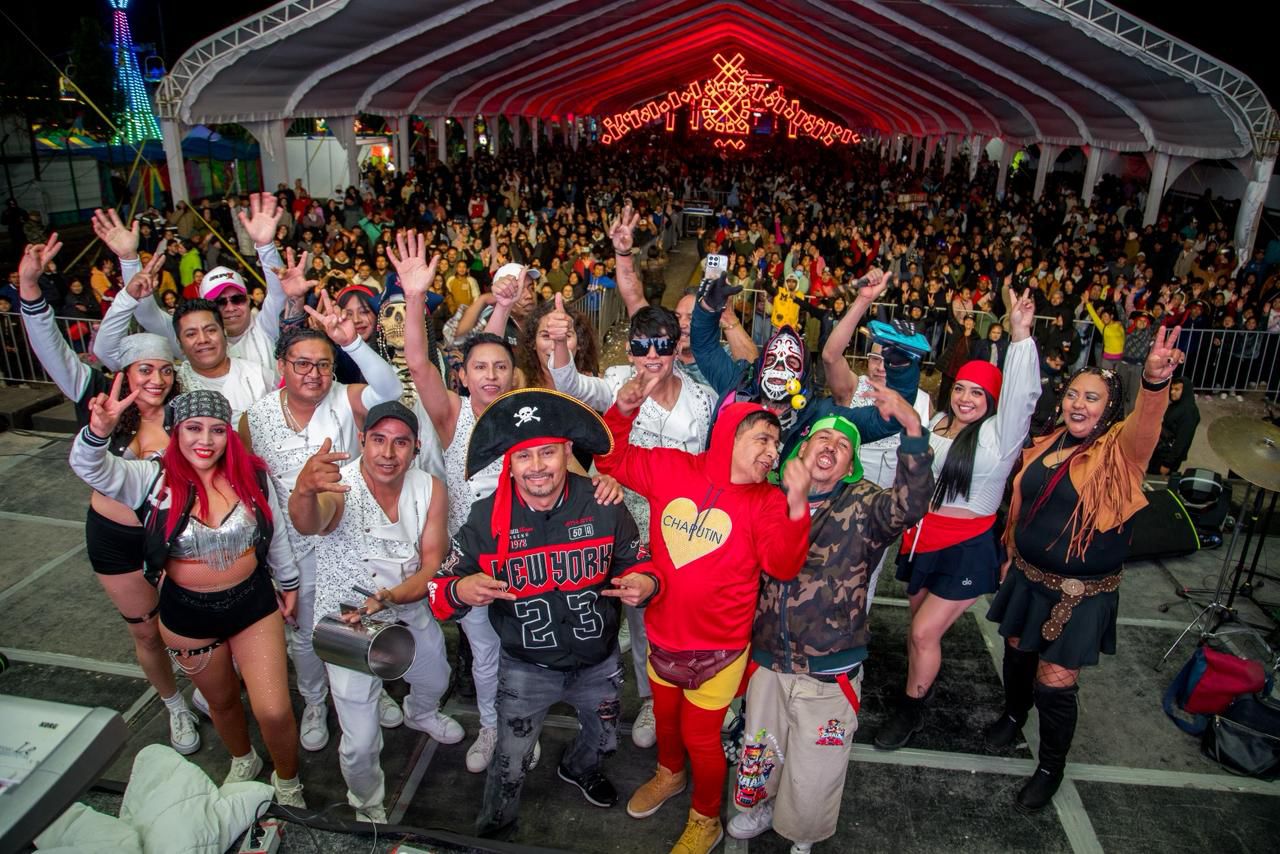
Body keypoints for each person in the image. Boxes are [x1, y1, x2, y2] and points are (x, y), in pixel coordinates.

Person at [425, 390, 655, 840]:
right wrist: (460, 589)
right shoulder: (486, 519)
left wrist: (645, 583)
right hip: (526, 667)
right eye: (524, 456)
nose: (537, 466)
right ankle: (495, 831)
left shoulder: (604, 503)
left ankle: (578, 767)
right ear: (509, 464)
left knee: (606, 739)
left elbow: (640, 562)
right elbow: (437, 591)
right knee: (509, 761)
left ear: (567, 451)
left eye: (547, 452)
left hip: (599, 662)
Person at [596, 376, 812, 854]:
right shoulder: (672, 469)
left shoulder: (769, 501)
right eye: (763, 439)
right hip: (663, 635)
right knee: (666, 720)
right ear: (730, 436)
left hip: (721, 648)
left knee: (700, 736)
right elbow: (611, 459)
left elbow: (782, 565)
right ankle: (669, 776)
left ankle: (705, 818)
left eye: (776, 444)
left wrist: (798, 507)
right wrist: (623, 410)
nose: (773, 452)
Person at [68, 386, 306, 806]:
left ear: (229, 434)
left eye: (217, 430)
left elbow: (278, 532)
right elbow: (90, 468)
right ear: (176, 431)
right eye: (194, 428)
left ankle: (288, 784)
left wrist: (288, 583)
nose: (205, 440)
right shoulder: (149, 478)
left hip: (253, 606)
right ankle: (243, 758)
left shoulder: (251, 474)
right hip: (188, 618)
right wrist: (98, 432)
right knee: (222, 702)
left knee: (274, 709)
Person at [984, 327, 1184, 812]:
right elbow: (1022, 508)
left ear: (1110, 407)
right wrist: (1010, 552)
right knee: (1017, 656)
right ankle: (1013, 716)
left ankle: (1050, 767)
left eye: (1092, 398)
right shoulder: (1049, 441)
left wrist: (1154, 383)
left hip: (1077, 595)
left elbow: (1147, 423)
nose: (1078, 404)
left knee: (1054, 684)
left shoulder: (1122, 453)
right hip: (1027, 578)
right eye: (1073, 394)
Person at [16, 235, 200, 755]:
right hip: (114, 539)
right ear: (125, 373)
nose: (157, 380)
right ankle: (174, 704)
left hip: (172, 536)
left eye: (165, 370)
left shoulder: (186, 412)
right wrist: (30, 289)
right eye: (145, 370)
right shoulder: (99, 398)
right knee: (146, 633)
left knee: (188, 625)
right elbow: (51, 348)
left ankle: (205, 686)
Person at [728, 400, 934, 853]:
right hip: (767, 657)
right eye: (823, 437)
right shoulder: (768, 497)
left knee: (816, 765)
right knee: (764, 747)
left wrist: (913, 432)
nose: (831, 446)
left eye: (843, 445)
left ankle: (803, 834)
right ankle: (765, 807)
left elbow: (912, 503)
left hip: (829, 667)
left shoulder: (865, 504)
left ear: (850, 465)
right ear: (801, 449)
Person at [874, 288, 1040, 750]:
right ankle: (918, 689)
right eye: (962, 388)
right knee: (918, 631)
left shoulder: (1000, 435)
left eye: (978, 392)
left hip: (966, 547)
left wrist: (1021, 335)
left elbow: (1024, 396)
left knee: (924, 631)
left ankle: (911, 710)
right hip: (923, 538)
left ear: (994, 398)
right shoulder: (940, 421)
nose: (967, 398)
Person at [551, 300, 718, 749]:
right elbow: (567, 384)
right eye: (642, 346)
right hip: (626, 521)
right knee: (641, 615)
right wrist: (562, 342)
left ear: (676, 347)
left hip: (683, 525)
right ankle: (649, 699)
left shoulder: (703, 399)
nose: (652, 356)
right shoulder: (614, 384)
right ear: (629, 350)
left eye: (662, 345)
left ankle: (700, 690)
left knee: (684, 609)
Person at [240, 314, 407, 754]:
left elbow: (390, 389)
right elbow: (253, 490)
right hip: (292, 545)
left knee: (360, 616)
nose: (313, 374)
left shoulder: (344, 399)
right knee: (305, 628)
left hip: (351, 535)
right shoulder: (256, 418)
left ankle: (371, 689)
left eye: (323, 364)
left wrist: (352, 344)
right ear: (282, 366)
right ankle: (315, 702)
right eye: (302, 364)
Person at [289, 401, 462, 823]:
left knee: (436, 677)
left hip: (406, 605)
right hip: (350, 624)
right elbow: (310, 522)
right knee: (361, 741)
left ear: (416, 447)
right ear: (362, 441)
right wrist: (304, 491)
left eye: (400, 443)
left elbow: (432, 564)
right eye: (379, 440)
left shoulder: (431, 488)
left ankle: (419, 713)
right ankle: (367, 805)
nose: (388, 453)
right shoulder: (338, 487)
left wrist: (391, 596)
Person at [93, 195, 302, 381]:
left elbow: (278, 293)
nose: (230, 307)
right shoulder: (193, 341)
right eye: (219, 302)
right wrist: (129, 260)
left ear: (248, 300)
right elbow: (147, 315)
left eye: (237, 299)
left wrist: (265, 246)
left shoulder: (264, 328)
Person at [1147, 376, 1199, 475]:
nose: (1172, 392)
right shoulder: (1176, 406)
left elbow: (1182, 441)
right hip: (1159, 451)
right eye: (1172, 389)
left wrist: (1167, 464)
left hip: (1166, 457)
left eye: (1177, 389)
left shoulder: (1189, 413)